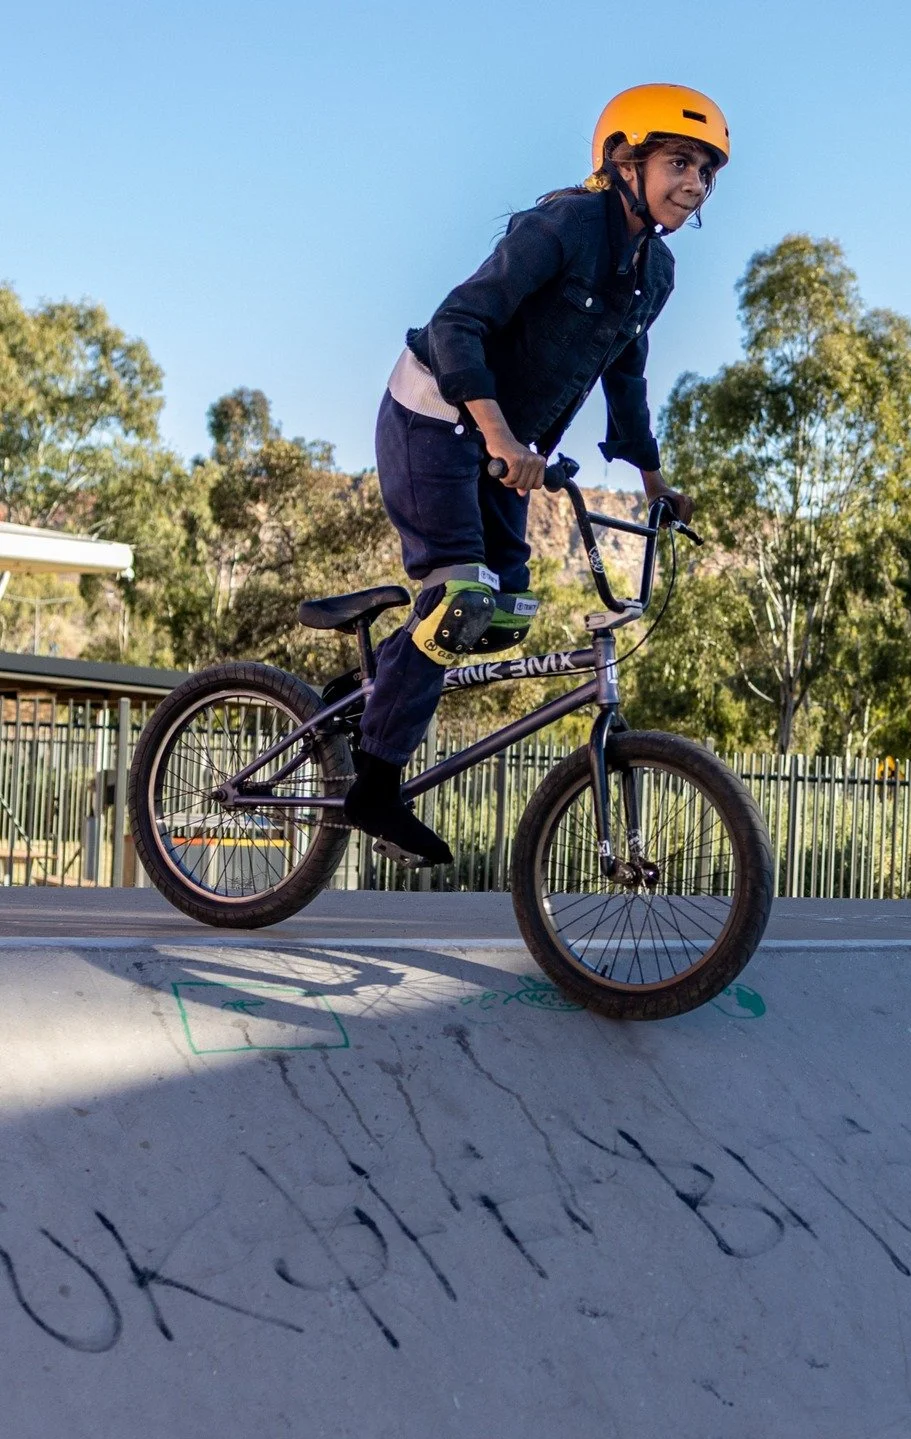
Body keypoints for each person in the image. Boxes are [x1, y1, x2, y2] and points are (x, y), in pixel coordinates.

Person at [344, 83, 728, 864]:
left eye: (706, 171)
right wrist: (498, 435)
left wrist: (653, 482)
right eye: (679, 162)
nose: (694, 182)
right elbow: (457, 323)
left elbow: (626, 376)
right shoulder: (564, 225)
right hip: (434, 415)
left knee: (508, 610)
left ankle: (362, 698)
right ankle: (373, 790)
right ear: (624, 161)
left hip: (502, 450)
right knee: (459, 599)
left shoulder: (655, 272)